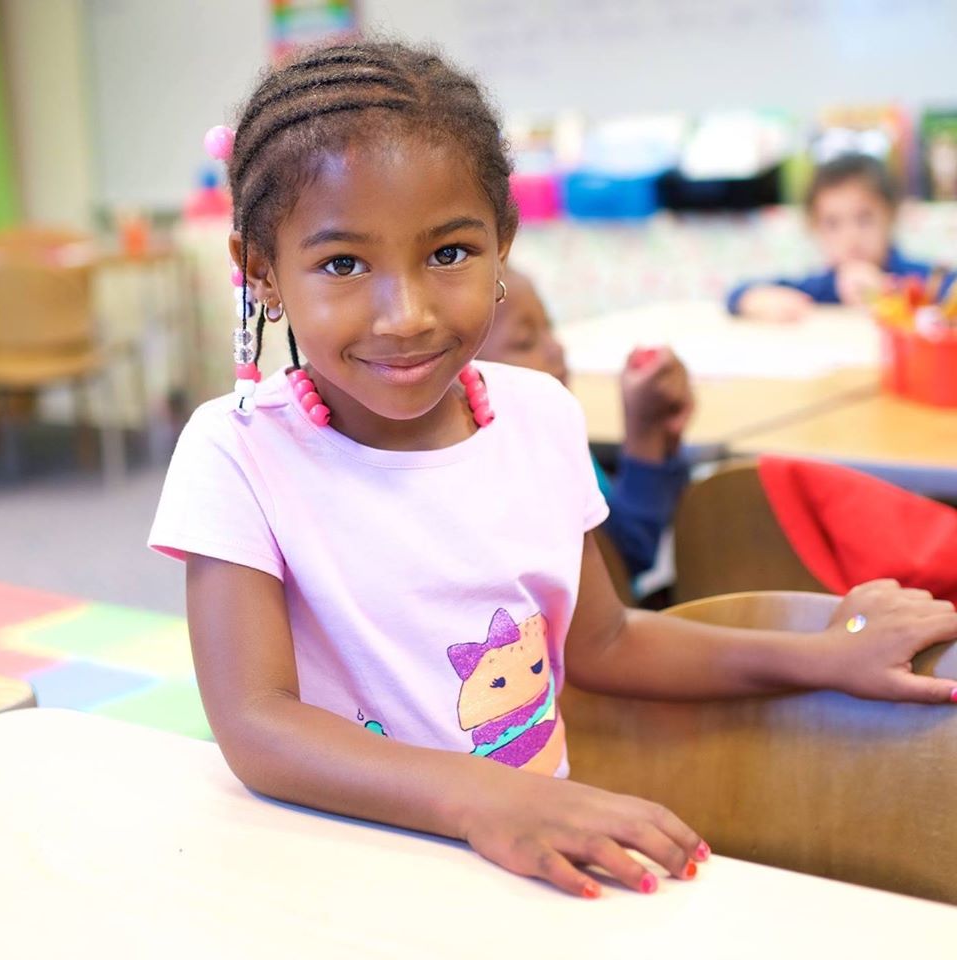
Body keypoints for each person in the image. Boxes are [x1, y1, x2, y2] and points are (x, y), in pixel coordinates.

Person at [150, 42, 957, 901]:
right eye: (343, 264)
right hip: (338, 884)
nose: (407, 314)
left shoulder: (540, 416)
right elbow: (257, 722)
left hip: (528, 877)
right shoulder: (235, 452)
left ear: (503, 240)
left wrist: (818, 657)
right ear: (261, 271)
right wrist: (486, 799)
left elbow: (605, 641)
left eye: (450, 253)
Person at [478, 267, 691, 577]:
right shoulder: (534, 452)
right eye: (525, 342)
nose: (556, 348)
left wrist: (664, 439)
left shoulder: (549, 425)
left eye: (550, 328)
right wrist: (645, 436)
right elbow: (626, 556)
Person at [727, 153, 957, 321]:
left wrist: (890, 294)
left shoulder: (921, 278)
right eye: (832, 224)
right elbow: (736, 293)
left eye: (864, 219)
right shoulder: (822, 287)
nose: (851, 237)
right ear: (814, 228)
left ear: (891, 216)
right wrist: (754, 299)